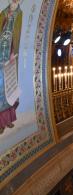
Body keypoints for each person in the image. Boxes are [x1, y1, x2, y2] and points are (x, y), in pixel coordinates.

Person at [0, 0, 22, 135]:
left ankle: (7, 120)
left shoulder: (20, 14)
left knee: (8, 88)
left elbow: (17, 36)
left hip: (9, 57)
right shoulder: (2, 13)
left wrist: (13, 54)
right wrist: (5, 20)